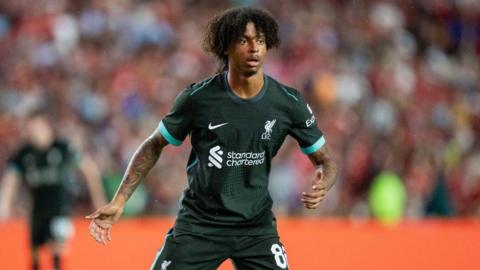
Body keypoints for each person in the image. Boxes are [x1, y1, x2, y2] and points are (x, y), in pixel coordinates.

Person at [87, 7, 337, 270]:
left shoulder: (288, 102)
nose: (254, 48)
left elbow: (326, 160)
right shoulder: (199, 98)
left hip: (255, 228)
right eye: (244, 40)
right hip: (200, 225)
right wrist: (120, 200)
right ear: (226, 46)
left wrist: (324, 180)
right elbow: (154, 145)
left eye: (260, 41)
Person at [0, 108, 106, 270]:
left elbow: (88, 169)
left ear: (45, 125)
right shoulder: (25, 154)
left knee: (57, 249)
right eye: (29, 128)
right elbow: (11, 179)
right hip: (37, 211)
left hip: (60, 209)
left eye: (35, 127)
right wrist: (4, 205)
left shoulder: (62, 147)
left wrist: (99, 199)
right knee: (35, 256)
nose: (32, 132)